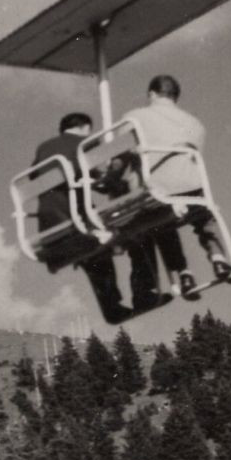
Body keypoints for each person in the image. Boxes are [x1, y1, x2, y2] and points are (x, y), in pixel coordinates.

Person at [119, 74, 231, 298]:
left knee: (162, 223)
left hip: (159, 187)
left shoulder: (135, 117)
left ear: (152, 94)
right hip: (193, 185)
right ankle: (218, 258)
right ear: (176, 96)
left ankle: (183, 272)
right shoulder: (196, 123)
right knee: (203, 217)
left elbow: (119, 150)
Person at [33, 112, 161, 322]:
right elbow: (104, 180)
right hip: (78, 219)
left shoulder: (43, 148)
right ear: (85, 127)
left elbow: (33, 177)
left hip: (50, 225)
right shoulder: (87, 143)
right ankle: (144, 293)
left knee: (96, 253)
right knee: (139, 229)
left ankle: (112, 306)